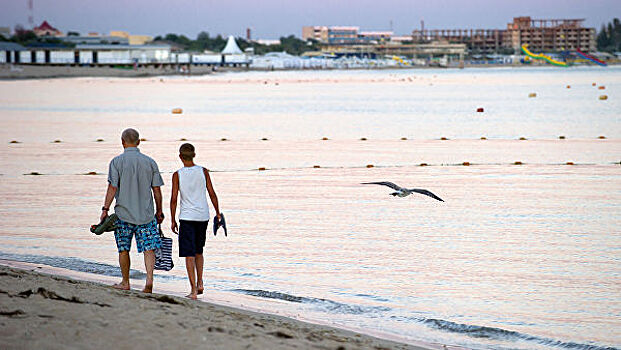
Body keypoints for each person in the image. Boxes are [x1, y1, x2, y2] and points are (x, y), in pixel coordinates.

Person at [100, 128, 165, 293]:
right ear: (139, 142)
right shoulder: (150, 162)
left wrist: (105, 209)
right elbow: (156, 190)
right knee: (148, 248)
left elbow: (112, 187)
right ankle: (149, 281)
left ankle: (125, 281)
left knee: (123, 248)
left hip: (123, 214)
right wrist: (159, 211)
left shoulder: (116, 162)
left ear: (122, 142)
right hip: (146, 214)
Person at [170, 143, 221, 299]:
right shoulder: (203, 171)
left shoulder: (177, 174)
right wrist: (218, 212)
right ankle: (200, 283)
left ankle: (193, 290)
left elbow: (173, 199)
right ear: (194, 155)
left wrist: (172, 219)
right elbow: (212, 193)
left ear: (180, 156)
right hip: (202, 216)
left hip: (186, 217)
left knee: (189, 254)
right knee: (199, 251)